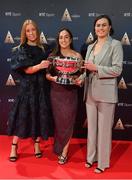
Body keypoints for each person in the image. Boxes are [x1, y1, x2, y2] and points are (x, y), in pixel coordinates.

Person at [78, 15, 123, 173]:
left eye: (104, 25)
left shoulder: (115, 45)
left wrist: (96, 68)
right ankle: (91, 158)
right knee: (92, 129)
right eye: (98, 25)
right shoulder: (90, 46)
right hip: (89, 92)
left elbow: (117, 70)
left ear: (110, 27)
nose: (101, 28)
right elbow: (88, 69)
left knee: (104, 130)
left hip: (106, 93)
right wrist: (82, 78)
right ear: (94, 28)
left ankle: (102, 163)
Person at [8, 19, 52, 162]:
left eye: (33, 29)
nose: (31, 33)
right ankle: (14, 147)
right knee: (22, 119)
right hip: (27, 90)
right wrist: (40, 66)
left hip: (42, 89)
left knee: (40, 117)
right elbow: (27, 70)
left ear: (37, 31)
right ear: (24, 33)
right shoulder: (22, 49)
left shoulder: (44, 48)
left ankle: (37, 146)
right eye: (28, 31)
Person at [46, 28, 83, 164]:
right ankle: (59, 147)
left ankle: (65, 151)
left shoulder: (77, 56)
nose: (63, 40)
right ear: (58, 40)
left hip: (70, 93)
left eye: (66, 37)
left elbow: (81, 75)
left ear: (71, 39)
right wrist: (54, 79)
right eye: (61, 37)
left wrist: (79, 80)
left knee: (68, 122)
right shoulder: (52, 56)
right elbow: (47, 75)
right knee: (59, 123)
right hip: (56, 93)